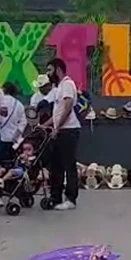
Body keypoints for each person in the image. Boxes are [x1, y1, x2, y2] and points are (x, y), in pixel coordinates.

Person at [45, 58, 81, 210]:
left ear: (58, 69)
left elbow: (66, 107)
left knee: (68, 164)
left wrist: (57, 128)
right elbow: (57, 112)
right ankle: (56, 196)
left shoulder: (67, 84)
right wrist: (45, 125)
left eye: (49, 70)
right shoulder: (59, 87)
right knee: (56, 165)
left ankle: (71, 199)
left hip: (68, 130)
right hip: (60, 130)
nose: (48, 73)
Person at [0, 82, 27, 155]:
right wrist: (16, 135)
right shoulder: (19, 105)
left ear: (3, 89)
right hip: (12, 138)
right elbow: (23, 122)